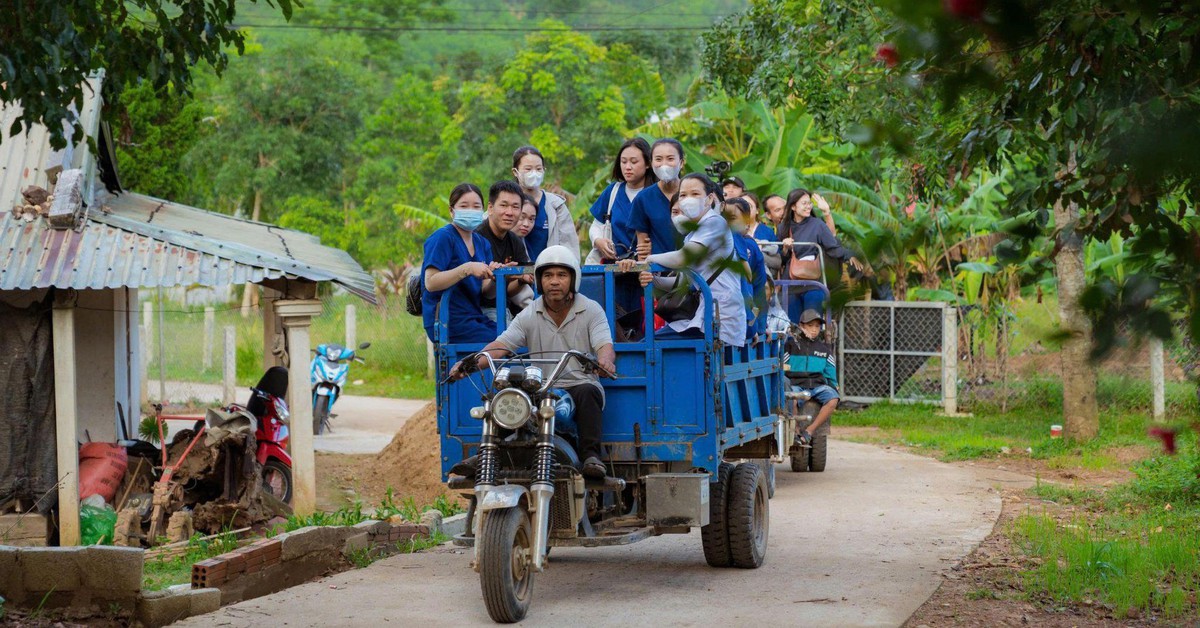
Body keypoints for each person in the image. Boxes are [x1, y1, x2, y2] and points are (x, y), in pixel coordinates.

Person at [451, 246, 617, 478]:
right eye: (548, 276)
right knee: (504, 394)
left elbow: (604, 345)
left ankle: (591, 456)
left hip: (577, 383)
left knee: (589, 390)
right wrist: (469, 364)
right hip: (541, 386)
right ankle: (486, 453)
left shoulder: (591, 309)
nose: (555, 282)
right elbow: (502, 345)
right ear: (539, 280)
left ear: (573, 279)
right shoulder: (530, 313)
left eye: (562, 275)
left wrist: (605, 362)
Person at [642, 173, 747, 347]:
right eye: (683, 195)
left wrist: (648, 258)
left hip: (719, 315)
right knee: (649, 342)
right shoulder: (693, 233)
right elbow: (682, 283)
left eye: (695, 194)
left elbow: (682, 258)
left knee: (649, 345)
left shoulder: (715, 222)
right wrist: (651, 279)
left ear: (709, 199)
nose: (688, 199)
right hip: (703, 314)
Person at [421, 183, 500, 344]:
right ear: (451, 211)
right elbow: (430, 282)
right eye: (464, 206)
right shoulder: (442, 238)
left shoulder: (482, 243)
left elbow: (487, 292)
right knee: (502, 344)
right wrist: (467, 268)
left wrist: (495, 277)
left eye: (476, 206)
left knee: (514, 337)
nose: (471, 210)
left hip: (474, 318)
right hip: (447, 320)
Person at [777, 188, 862, 321]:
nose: (808, 206)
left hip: (813, 281)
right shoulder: (783, 227)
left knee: (813, 320)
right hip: (791, 282)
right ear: (793, 206)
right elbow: (781, 259)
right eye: (804, 203)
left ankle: (814, 340)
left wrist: (849, 255)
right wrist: (785, 248)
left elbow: (833, 247)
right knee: (791, 324)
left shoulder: (817, 225)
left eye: (809, 203)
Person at [587, 137, 655, 264]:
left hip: (646, 268)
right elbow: (596, 224)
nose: (628, 167)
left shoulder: (655, 193)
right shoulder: (612, 191)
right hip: (612, 270)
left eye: (634, 162)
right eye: (623, 162)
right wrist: (597, 240)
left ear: (648, 163)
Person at [476, 180, 535, 318]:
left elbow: (508, 291)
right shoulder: (476, 238)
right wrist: (500, 275)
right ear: (490, 208)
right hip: (478, 310)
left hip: (503, 308)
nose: (509, 212)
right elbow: (483, 292)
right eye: (504, 205)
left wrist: (521, 279)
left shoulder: (515, 241)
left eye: (515, 207)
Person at [784, 309, 840, 448]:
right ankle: (796, 432)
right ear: (801, 326)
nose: (814, 330)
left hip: (817, 386)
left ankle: (809, 432)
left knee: (833, 398)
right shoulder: (791, 345)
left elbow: (830, 371)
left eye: (817, 326)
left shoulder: (824, 349)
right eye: (810, 326)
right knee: (792, 398)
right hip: (796, 384)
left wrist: (835, 386)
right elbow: (782, 368)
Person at [513, 146, 578, 260]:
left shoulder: (556, 205)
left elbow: (569, 245)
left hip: (550, 273)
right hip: (516, 274)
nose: (534, 173)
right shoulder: (507, 203)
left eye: (538, 169)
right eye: (528, 169)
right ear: (515, 172)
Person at [629, 138, 686, 257]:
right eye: (658, 159)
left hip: (694, 269)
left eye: (670, 159)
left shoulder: (694, 193)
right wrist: (644, 271)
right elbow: (643, 247)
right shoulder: (643, 198)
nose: (664, 164)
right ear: (651, 163)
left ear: (681, 162)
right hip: (659, 270)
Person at [727, 197, 769, 339]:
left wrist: (760, 326)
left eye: (732, 218)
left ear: (746, 221)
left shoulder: (750, 246)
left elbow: (759, 288)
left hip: (742, 317)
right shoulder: (712, 241)